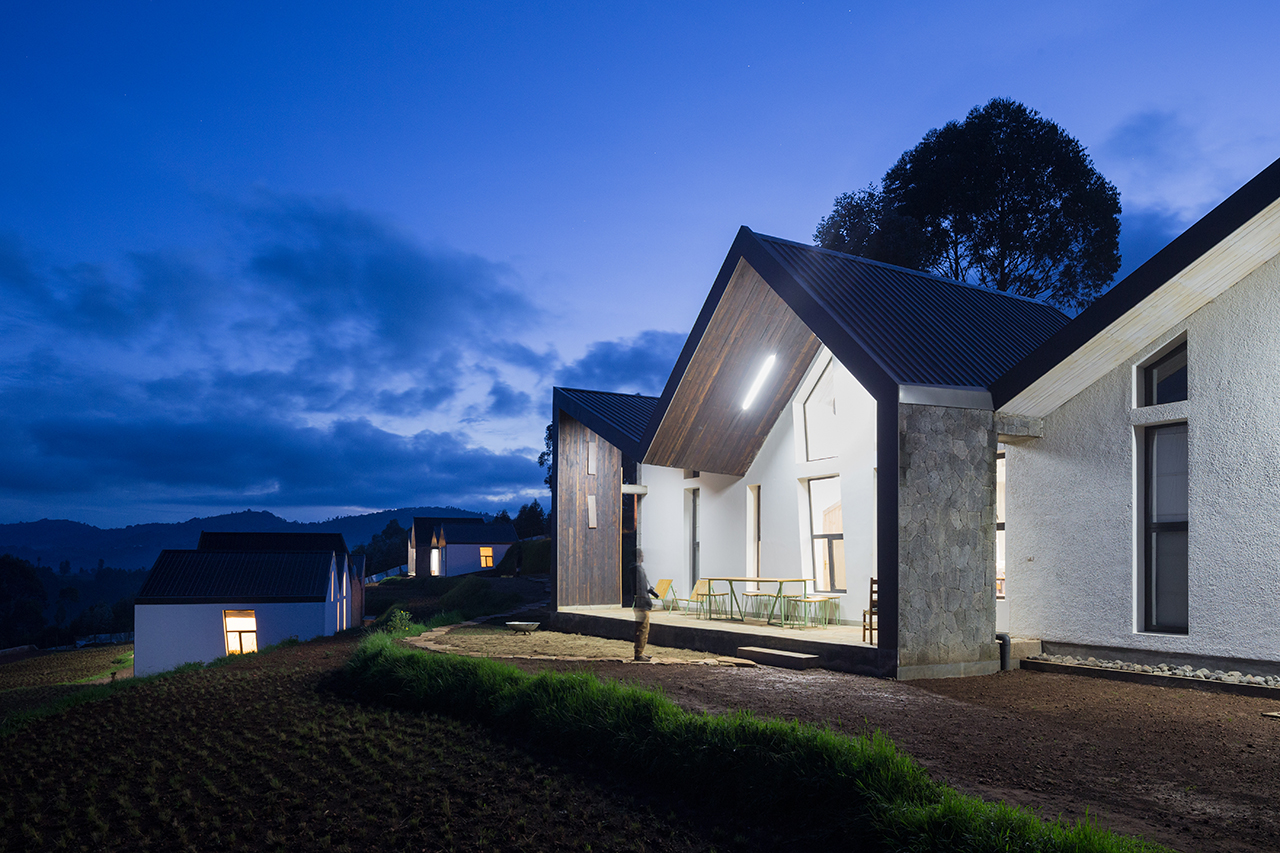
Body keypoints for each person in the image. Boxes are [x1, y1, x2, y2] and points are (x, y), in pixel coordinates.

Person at [631, 548, 658, 662]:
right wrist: (645, 601)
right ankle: (639, 653)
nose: (644, 557)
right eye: (642, 555)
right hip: (641, 603)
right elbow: (641, 587)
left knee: (641, 629)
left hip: (639, 602)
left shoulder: (634, 568)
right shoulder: (638, 569)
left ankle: (640, 651)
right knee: (643, 629)